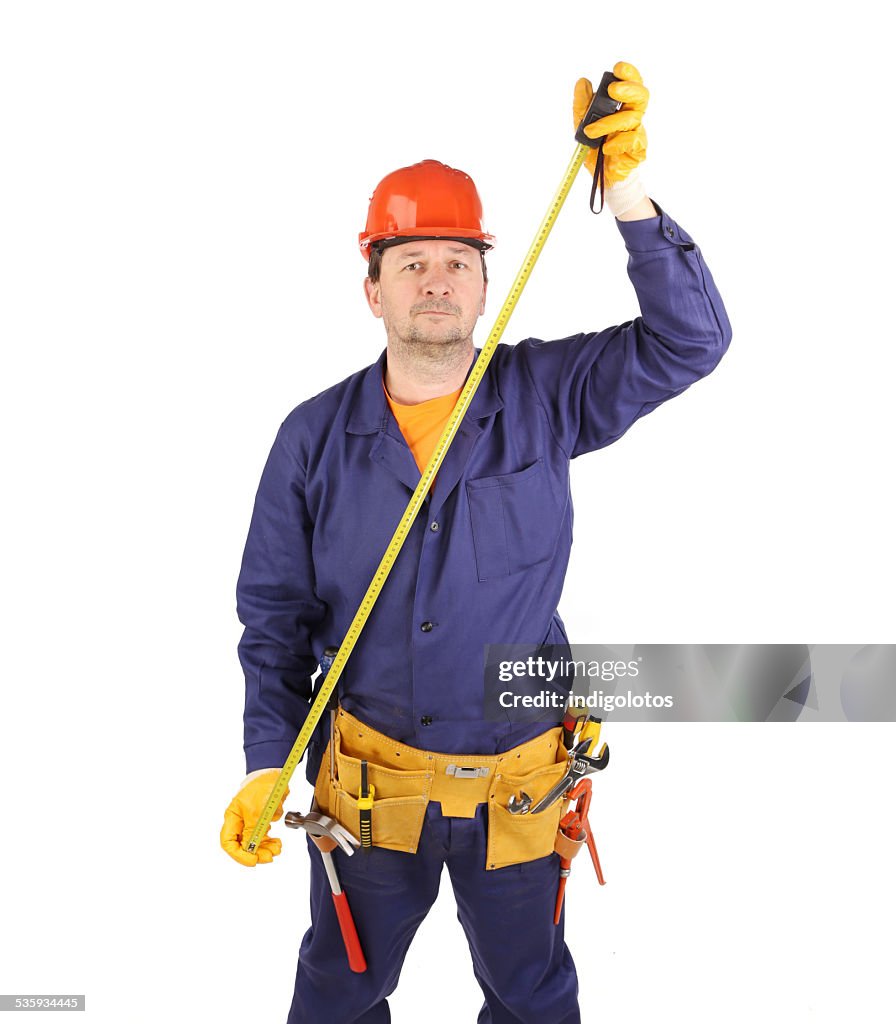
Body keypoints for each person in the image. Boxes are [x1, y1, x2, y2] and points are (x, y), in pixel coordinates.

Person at [220, 62, 732, 1024]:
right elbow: (274, 621)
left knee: (532, 997)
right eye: (410, 261)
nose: (437, 280)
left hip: (519, 793)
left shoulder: (547, 395)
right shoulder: (310, 440)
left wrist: (623, 188)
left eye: (457, 259)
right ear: (371, 288)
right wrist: (264, 763)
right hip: (366, 795)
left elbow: (691, 341)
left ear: (489, 280)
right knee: (336, 995)